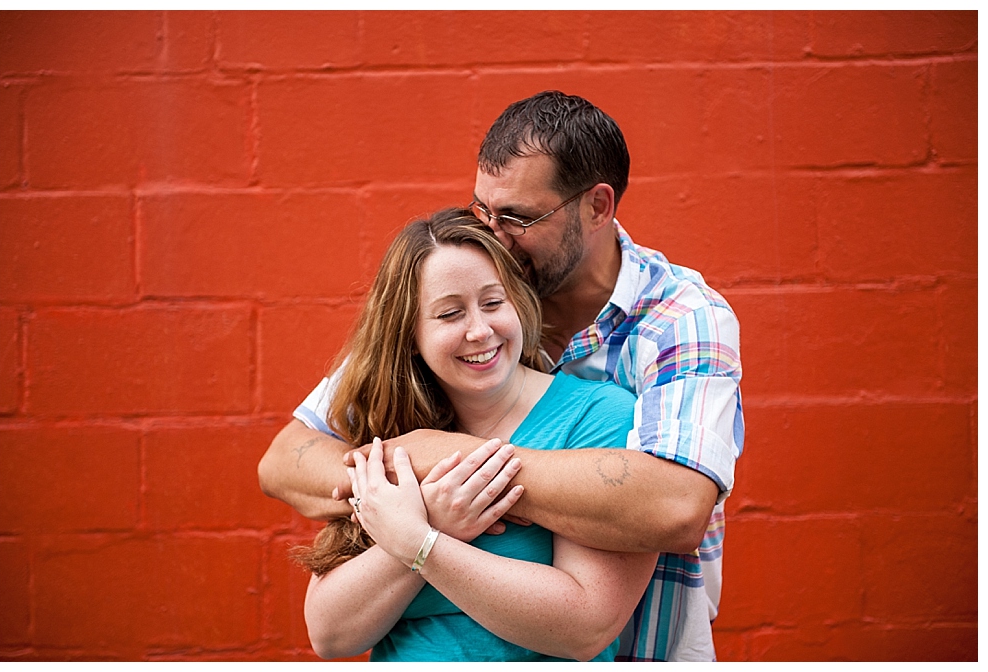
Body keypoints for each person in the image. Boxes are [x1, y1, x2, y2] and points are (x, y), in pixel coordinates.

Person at [259, 91, 744, 661]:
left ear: (597, 206)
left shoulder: (681, 321)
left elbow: (675, 507)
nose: (495, 233)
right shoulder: (476, 295)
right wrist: (411, 491)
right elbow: (286, 461)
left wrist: (449, 462)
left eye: (517, 216)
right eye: (482, 209)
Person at [297, 209, 658, 661]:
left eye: (493, 303)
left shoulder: (597, 416)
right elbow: (330, 635)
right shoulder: (394, 428)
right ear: (410, 334)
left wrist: (420, 543)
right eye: (450, 314)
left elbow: (583, 628)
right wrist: (435, 522)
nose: (480, 331)